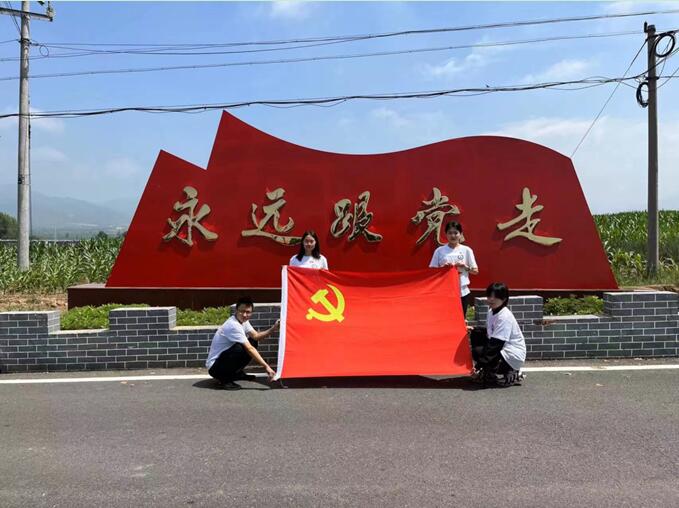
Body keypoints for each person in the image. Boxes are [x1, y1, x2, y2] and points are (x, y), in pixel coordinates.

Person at [205, 296, 279, 390]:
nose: (244, 315)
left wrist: (273, 328)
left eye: (248, 312)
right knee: (241, 347)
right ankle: (224, 380)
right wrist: (266, 367)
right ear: (236, 310)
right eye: (242, 311)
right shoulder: (233, 325)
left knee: (253, 341)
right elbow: (249, 349)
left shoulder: (243, 321)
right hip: (215, 368)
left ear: (251, 312)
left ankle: (236, 373)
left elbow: (256, 336)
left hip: (221, 361)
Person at [469, 282, 526, 387]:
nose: (491, 299)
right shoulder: (491, 311)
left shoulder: (504, 316)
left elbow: (496, 344)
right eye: (489, 296)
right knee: (476, 335)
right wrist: (474, 330)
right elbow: (490, 332)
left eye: (496, 297)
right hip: (502, 348)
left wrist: (479, 364)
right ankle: (489, 373)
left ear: (504, 299)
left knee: (480, 351)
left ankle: (512, 371)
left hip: (511, 353)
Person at [429, 221, 478, 316]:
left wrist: (465, 267)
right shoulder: (439, 251)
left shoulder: (467, 250)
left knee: (461, 318)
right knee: (445, 318)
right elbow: (431, 272)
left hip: (462, 291)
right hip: (444, 291)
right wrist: (443, 268)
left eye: (456, 233)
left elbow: (475, 271)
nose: (453, 236)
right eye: (450, 233)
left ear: (461, 234)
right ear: (446, 234)